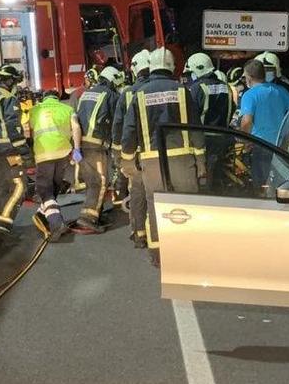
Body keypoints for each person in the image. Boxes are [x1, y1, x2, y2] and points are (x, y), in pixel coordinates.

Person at [122, 47, 205, 265]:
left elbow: (129, 131)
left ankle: (158, 254)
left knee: (156, 207)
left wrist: (127, 160)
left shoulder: (139, 94)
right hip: (182, 160)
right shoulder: (182, 90)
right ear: (172, 66)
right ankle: (188, 250)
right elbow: (196, 128)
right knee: (187, 205)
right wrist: (201, 161)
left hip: (152, 162)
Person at [0, 64, 30, 234]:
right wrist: (24, 151)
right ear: (9, 81)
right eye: (15, 81)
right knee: (19, 185)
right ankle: (4, 222)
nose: (16, 85)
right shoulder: (8, 98)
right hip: (9, 150)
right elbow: (13, 126)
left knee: (0, 186)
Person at [29, 90, 82, 242]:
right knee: (54, 187)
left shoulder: (35, 110)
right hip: (63, 153)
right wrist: (77, 149)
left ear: (44, 98)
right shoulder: (67, 109)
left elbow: (30, 130)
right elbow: (76, 128)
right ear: (57, 98)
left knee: (45, 191)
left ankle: (56, 223)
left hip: (43, 153)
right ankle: (42, 214)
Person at [113, 50, 151, 247]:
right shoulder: (157, 90)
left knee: (137, 193)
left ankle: (139, 234)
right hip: (158, 152)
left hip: (135, 154)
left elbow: (120, 126)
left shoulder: (127, 93)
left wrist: (121, 156)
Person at [75, 65, 120, 232]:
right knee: (100, 181)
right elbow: (117, 121)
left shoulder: (87, 93)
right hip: (96, 144)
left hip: (82, 143)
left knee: (91, 180)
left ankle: (93, 212)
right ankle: (89, 218)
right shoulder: (111, 95)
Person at [239, 59, 289, 186]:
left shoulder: (249, 95)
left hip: (260, 146)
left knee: (262, 186)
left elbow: (247, 121)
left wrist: (245, 141)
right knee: (280, 183)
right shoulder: (280, 91)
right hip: (281, 146)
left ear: (249, 77)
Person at [186, 52, 235, 190]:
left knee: (203, 178)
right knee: (218, 176)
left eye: (191, 72)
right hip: (223, 139)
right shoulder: (226, 87)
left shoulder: (196, 88)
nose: (191, 76)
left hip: (204, 140)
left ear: (197, 69)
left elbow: (190, 115)